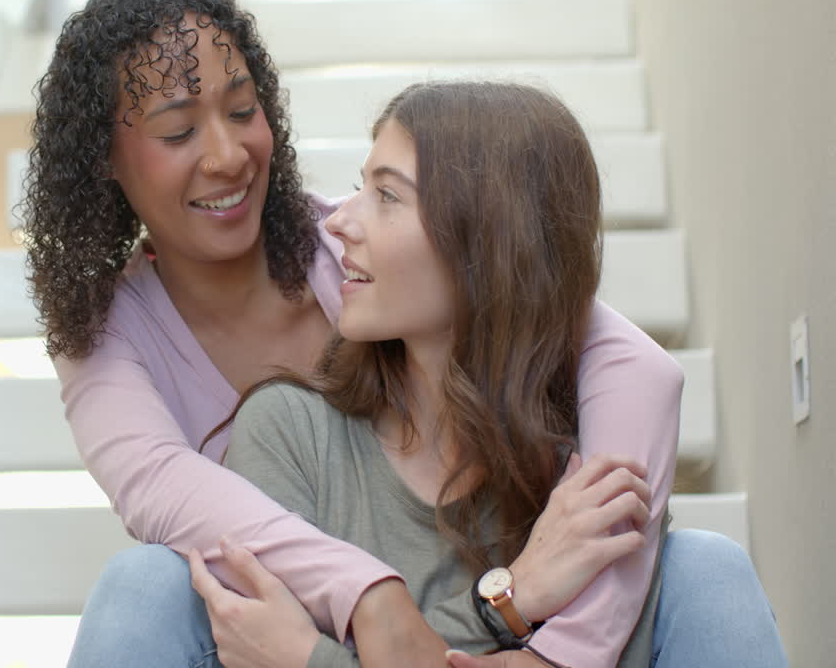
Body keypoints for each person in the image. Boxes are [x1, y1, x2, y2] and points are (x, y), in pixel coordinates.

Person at [19, 0, 785, 668]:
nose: (227, 155)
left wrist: (560, 644)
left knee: (705, 565)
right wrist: (381, 597)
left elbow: (620, 356)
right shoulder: (126, 341)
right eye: (179, 131)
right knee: (148, 584)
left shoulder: (356, 253)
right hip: (284, 613)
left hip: (458, 603)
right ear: (103, 162)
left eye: (244, 110)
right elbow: (163, 489)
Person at [188, 81, 784, 667]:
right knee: (147, 582)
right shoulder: (290, 435)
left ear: (487, 241)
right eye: (358, 189)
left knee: (708, 567)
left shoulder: (589, 458)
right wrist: (507, 600)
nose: (337, 223)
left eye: (388, 196)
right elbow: (258, 646)